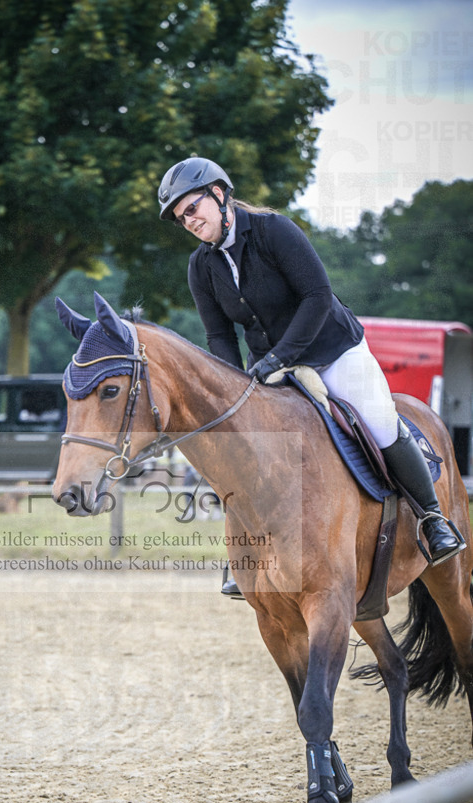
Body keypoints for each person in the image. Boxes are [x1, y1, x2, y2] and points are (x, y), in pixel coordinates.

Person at [157, 156, 465, 591]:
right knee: (247, 447)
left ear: (220, 195)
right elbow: (219, 336)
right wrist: (231, 388)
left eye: (192, 209)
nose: (187, 220)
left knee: (377, 420)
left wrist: (280, 358)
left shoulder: (273, 231)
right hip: (270, 368)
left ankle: (433, 519)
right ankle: (249, 549)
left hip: (332, 349)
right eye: (179, 217)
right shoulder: (200, 267)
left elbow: (318, 295)